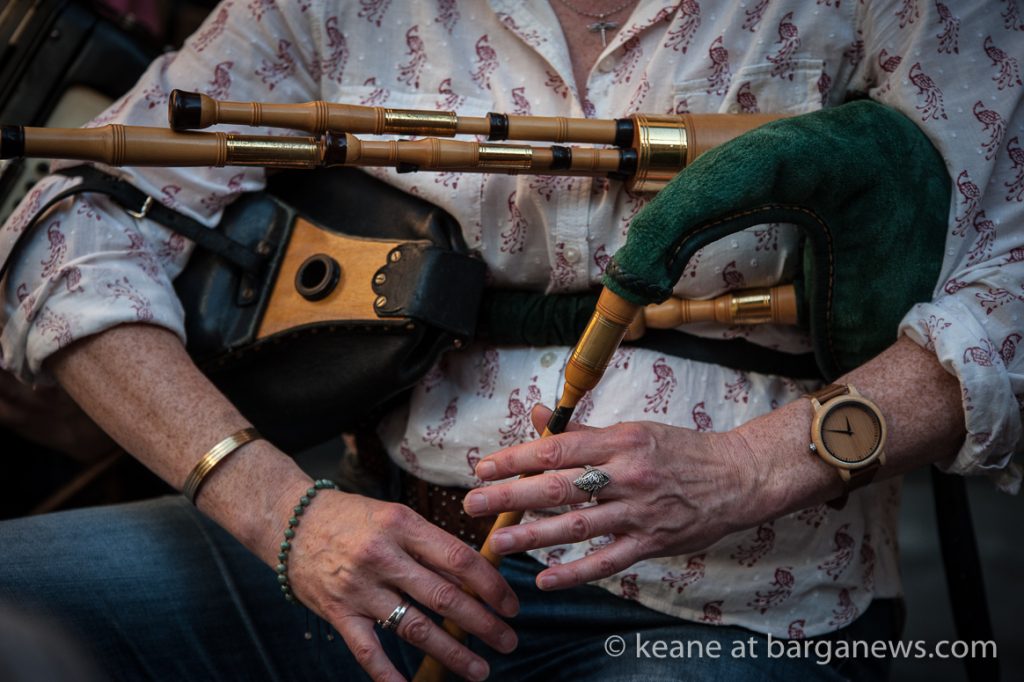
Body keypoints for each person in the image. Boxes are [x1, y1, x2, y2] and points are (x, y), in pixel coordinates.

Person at [0, 1, 1020, 680]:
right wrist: (278, 511)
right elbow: (75, 221)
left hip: (736, 605)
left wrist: (751, 469)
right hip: (373, 552)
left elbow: (1011, 286)